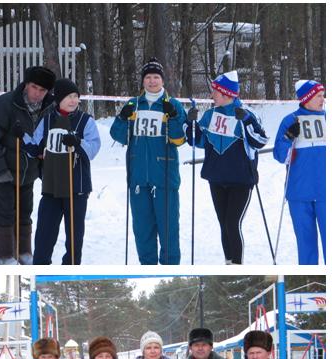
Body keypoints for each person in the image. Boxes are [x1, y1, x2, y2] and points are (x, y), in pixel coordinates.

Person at [186, 71, 269, 264]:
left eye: (214, 92)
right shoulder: (209, 115)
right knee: (223, 224)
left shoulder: (246, 113)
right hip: (216, 179)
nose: (211, 95)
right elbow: (197, 141)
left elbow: (260, 141)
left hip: (240, 180)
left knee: (232, 224)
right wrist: (190, 123)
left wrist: (247, 121)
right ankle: (228, 262)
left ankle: (237, 265)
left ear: (225, 94)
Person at [111, 58, 187, 265]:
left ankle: (171, 267)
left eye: (156, 77)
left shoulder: (174, 105)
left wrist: (173, 118)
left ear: (162, 80)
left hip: (164, 177)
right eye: (148, 77)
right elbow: (118, 136)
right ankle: (148, 265)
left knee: (168, 228)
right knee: (142, 229)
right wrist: (122, 118)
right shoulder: (133, 104)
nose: (152, 81)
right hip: (138, 178)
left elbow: (180, 140)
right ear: (143, 81)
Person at [0, 65, 56, 264]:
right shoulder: (5, 104)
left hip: (27, 171)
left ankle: (24, 252)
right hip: (2, 168)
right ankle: (5, 256)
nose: (37, 93)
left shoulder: (49, 108)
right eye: (34, 87)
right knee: (4, 212)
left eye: (42, 90)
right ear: (26, 85)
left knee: (25, 211)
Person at [23, 78, 101, 264]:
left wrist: (78, 143)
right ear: (58, 99)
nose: (73, 100)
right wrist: (22, 136)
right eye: (68, 97)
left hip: (76, 189)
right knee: (44, 236)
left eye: (76, 96)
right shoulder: (48, 119)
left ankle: (71, 267)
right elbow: (35, 144)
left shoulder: (85, 121)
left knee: (74, 238)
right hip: (52, 187)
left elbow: (94, 148)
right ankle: (40, 267)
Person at [273, 79, 326, 264]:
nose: (323, 100)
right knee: (306, 248)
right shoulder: (290, 121)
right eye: (319, 96)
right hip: (299, 194)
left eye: (323, 95)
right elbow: (280, 156)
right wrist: (288, 137)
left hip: (325, 193)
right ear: (307, 98)